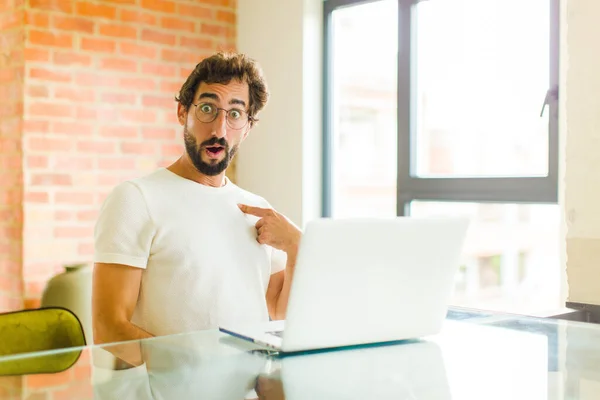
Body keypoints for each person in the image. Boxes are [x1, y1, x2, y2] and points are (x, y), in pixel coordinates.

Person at [92, 52, 302, 348]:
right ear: (183, 112)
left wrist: (297, 248)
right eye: (207, 108)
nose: (219, 130)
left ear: (248, 127)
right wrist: (199, 369)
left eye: (235, 114)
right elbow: (109, 329)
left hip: (247, 391)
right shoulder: (135, 199)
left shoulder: (257, 210)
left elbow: (279, 312)